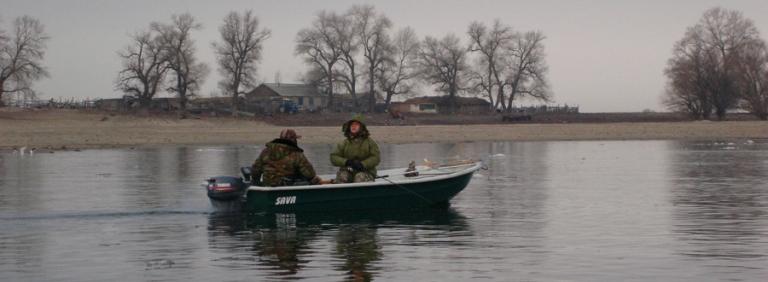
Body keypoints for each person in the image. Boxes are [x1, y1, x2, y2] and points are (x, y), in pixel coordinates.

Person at [251, 129, 321, 187]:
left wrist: (256, 183)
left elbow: (255, 170)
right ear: (294, 140)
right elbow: (310, 174)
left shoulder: (266, 151)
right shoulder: (297, 154)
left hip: (267, 186)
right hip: (286, 188)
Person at [330, 117, 380, 183]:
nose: (353, 126)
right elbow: (334, 157)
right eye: (352, 125)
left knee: (359, 177)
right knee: (342, 176)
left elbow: (376, 158)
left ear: (361, 127)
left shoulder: (370, 142)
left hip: (366, 172)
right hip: (348, 171)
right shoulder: (344, 143)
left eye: (356, 124)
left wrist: (363, 164)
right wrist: (347, 162)